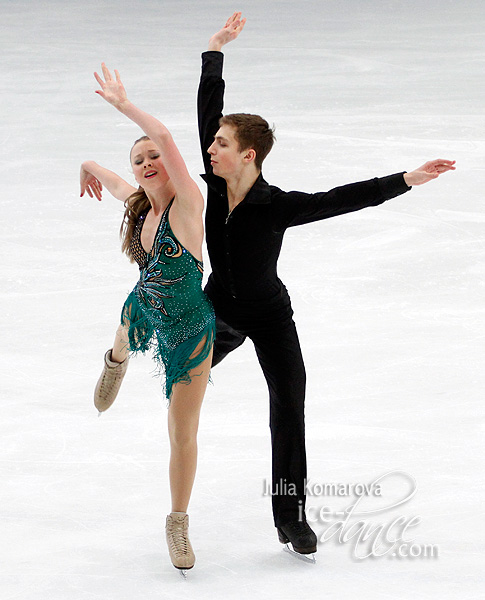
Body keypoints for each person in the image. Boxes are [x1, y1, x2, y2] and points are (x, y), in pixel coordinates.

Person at [197, 12, 456, 556]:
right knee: (174, 377)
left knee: (289, 405)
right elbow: (207, 111)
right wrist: (215, 50)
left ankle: (290, 518)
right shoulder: (216, 187)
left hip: (269, 317)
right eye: (212, 142)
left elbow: (341, 198)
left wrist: (407, 179)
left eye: (221, 144)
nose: (210, 148)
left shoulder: (276, 207)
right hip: (216, 309)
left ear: (248, 155)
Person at [80, 64, 215, 572]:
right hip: (144, 305)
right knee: (125, 327)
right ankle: (116, 361)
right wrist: (88, 163)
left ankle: (177, 521)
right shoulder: (139, 205)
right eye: (139, 160)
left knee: (181, 432)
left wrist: (123, 104)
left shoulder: (188, 206)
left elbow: (161, 133)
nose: (148, 161)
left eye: (154, 155)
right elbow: (113, 182)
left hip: (189, 333)